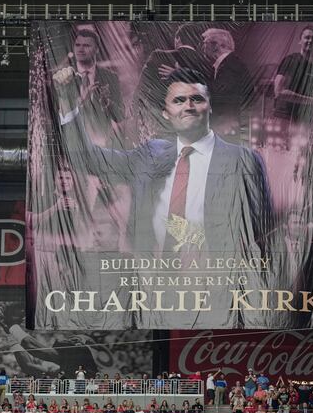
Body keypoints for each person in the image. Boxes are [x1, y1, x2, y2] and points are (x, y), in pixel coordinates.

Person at [53, 67, 275, 327]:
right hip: (154, 294)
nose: (188, 106)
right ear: (165, 113)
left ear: (210, 107)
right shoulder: (150, 155)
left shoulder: (243, 160)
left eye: (197, 99)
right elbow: (87, 158)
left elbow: (262, 232)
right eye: (179, 100)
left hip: (218, 293)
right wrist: (68, 100)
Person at [273, 26, 313, 120]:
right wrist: (312, 101)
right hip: (284, 117)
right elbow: (279, 92)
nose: (310, 41)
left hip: (306, 120)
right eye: (307, 37)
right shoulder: (290, 61)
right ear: (300, 41)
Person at [199, 28, 254, 134]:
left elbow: (219, 94)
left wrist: (187, 75)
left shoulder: (232, 66)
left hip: (225, 129)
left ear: (218, 45)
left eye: (206, 43)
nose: (203, 47)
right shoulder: (227, 64)